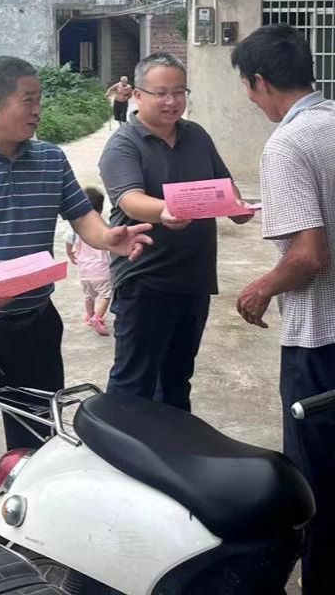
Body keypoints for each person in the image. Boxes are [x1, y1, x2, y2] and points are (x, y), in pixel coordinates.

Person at [0, 56, 152, 525]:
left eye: (40, 99)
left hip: (36, 326)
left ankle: (32, 539)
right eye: (28, 100)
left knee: (40, 444)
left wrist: (108, 238)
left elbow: (82, 217)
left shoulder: (51, 159)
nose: (38, 110)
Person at [229, 24, 335, 594]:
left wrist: (261, 288)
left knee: (315, 484)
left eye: (247, 87)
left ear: (260, 81)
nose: (250, 98)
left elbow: (308, 256)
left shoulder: (287, 145)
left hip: (324, 341)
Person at [98, 52, 251, 411]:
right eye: (162, 93)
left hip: (194, 279)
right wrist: (166, 210)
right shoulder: (123, 145)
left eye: (179, 92)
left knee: (177, 379)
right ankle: (119, 443)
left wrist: (239, 208)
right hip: (146, 279)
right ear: (137, 96)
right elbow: (130, 199)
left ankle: (172, 444)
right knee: (133, 382)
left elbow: (224, 187)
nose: (172, 101)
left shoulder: (196, 135)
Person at [64, 187, 113, 336]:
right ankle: (97, 317)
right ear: (100, 209)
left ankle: (89, 315)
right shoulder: (103, 228)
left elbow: (68, 242)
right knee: (105, 295)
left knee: (88, 295)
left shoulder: (74, 229)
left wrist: (70, 254)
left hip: (84, 270)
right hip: (101, 270)